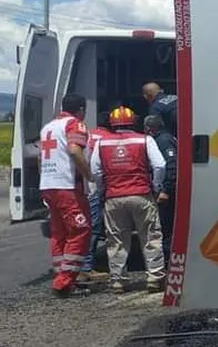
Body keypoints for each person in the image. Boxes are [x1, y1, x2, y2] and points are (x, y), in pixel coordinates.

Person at [90, 106, 168, 293]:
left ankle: (118, 281)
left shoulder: (102, 143)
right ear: (134, 122)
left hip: (114, 197)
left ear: (112, 123)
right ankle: (154, 278)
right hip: (141, 194)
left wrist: (103, 191)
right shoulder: (144, 139)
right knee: (151, 237)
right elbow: (160, 165)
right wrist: (156, 187)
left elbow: (95, 172)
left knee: (116, 240)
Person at [38, 92, 94, 297]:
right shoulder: (74, 124)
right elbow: (74, 150)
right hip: (67, 186)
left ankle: (61, 276)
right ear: (81, 109)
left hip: (48, 185)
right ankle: (64, 281)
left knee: (59, 232)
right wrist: (89, 175)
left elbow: (40, 159)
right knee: (80, 230)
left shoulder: (48, 127)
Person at [78, 109, 117, 285]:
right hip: (95, 187)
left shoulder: (88, 134)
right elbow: (103, 166)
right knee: (94, 228)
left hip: (80, 186)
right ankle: (86, 267)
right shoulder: (108, 139)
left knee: (81, 227)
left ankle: (78, 265)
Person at [143, 113, 177, 255]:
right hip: (165, 189)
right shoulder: (165, 138)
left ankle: (167, 259)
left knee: (165, 226)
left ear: (149, 129)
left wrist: (165, 190)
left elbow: (171, 165)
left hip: (165, 191)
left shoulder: (163, 141)